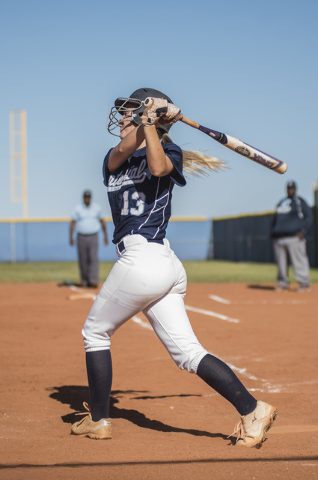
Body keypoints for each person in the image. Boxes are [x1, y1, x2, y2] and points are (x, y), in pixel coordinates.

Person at [71, 88, 277, 447]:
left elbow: (156, 167)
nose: (120, 119)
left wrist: (151, 121)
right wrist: (149, 118)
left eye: (127, 113)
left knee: (95, 334)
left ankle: (100, 420)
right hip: (158, 266)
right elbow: (124, 150)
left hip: (145, 260)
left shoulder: (169, 152)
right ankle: (253, 409)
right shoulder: (113, 159)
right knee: (188, 353)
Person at [272, 181, 312, 292]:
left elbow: (308, 217)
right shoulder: (281, 202)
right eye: (289, 188)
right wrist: (273, 232)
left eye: (292, 188)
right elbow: (275, 218)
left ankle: (304, 283)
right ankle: (282, 283)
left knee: (299, 261)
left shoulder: (300, 202)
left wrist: (304, 231)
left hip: (294, 237)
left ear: (295, 189)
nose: (290, 190)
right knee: (281, 264)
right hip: (279, 238)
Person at [70, 190, 108, 288]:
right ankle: (84, 281)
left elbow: (102, 221)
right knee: (83, 259)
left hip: (93, 236)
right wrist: (71, 237)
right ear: (83, 198)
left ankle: (93, 280)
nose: (87, 199)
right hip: (81, 237)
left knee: (93, 258)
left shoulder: (96, 208)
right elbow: (73, 223)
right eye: (85, 197)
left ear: (90, 198)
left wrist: (105, 236)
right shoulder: (78, 208)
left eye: (88, 197)